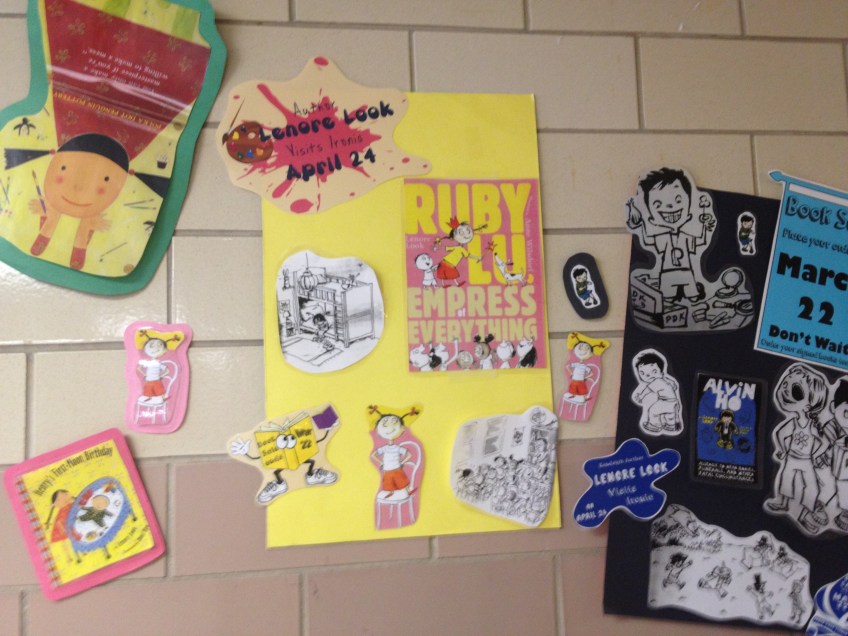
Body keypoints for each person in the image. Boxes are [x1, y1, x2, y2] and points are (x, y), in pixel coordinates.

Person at [626, 167, 714, 303]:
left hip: (686, 271)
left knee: (693, 297)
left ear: (690, 204)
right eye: (658, 204)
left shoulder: (685, 236)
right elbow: (648, 241)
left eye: (678, 201)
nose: (670, 207)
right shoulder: (663, 237)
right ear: (650, 212)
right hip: (668, 273)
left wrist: (705, 224)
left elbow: (701, 241)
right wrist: (641, 225)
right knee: (668, 298)